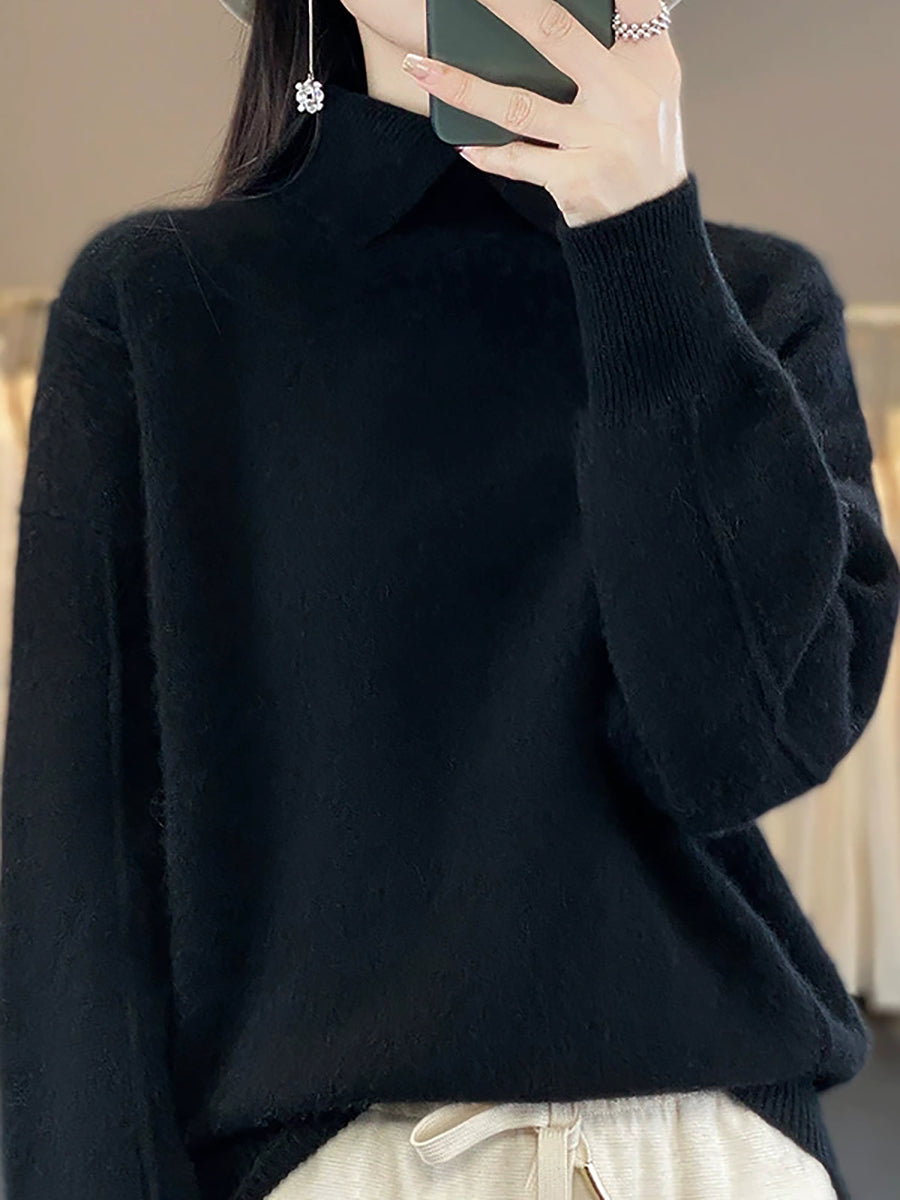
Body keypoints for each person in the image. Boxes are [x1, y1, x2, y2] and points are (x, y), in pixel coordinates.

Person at [1, 0, 898, 1198]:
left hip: (710, 1151)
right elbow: (78, 884)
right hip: (347, 1163)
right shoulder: (164, 304)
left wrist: (644, 249)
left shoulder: (750, 304)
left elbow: (740, 751)